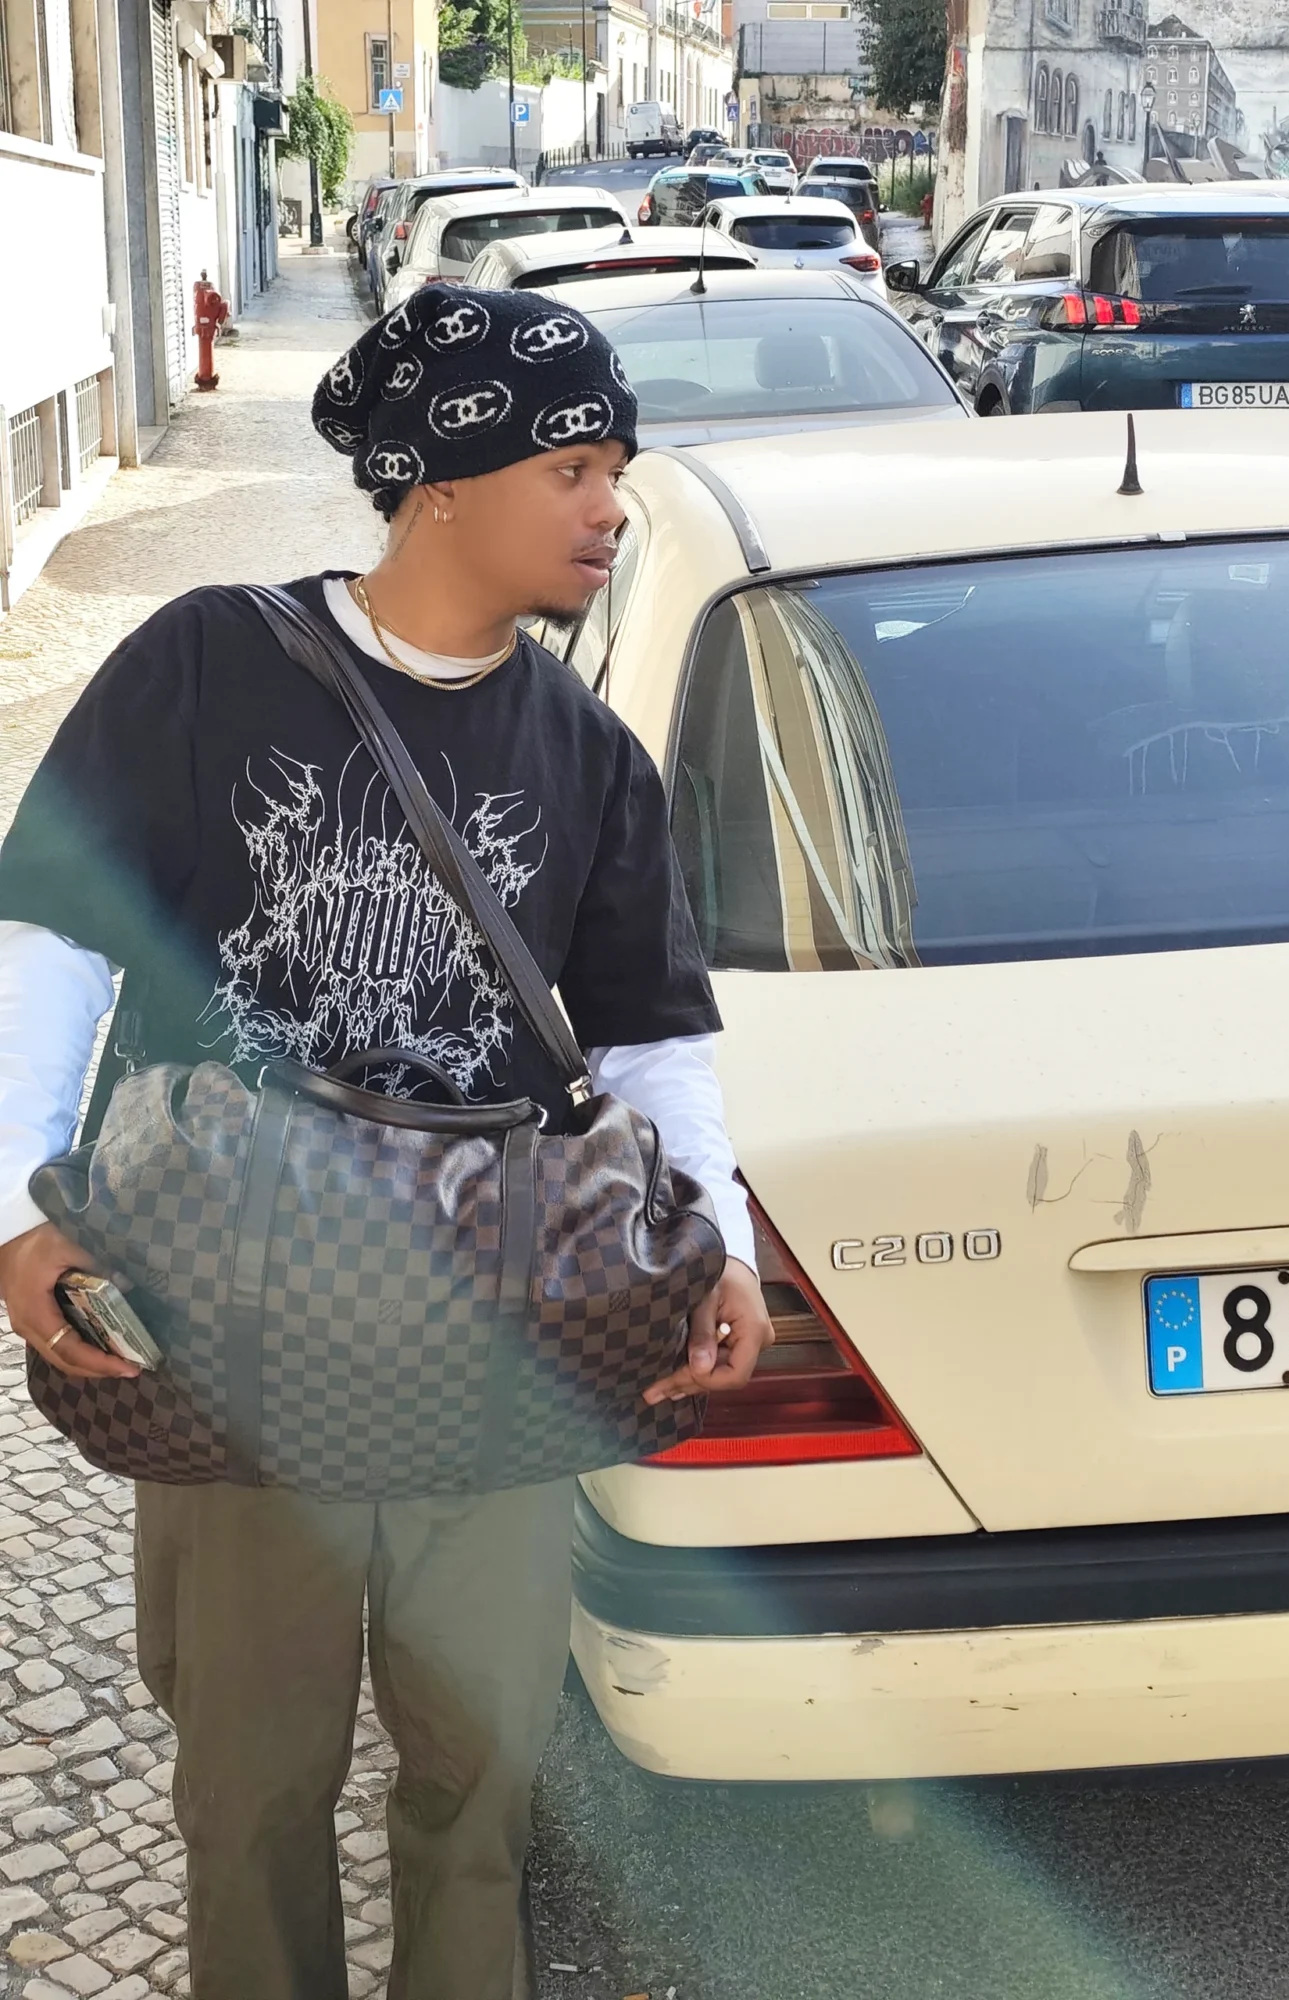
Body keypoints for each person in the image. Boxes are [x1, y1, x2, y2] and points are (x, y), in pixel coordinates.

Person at [0, 282, 773, 2000]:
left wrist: (715, 1239)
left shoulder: (588, 753)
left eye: (618, 469)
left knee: (480, 1779)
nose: (611, 506)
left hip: (497, 1334)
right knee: (249, 1785)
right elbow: (49, 931)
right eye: (573, 467)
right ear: (442, 479)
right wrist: (16, 1203)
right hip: (225, 1320)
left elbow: (649, 1033)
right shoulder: (206, 664)